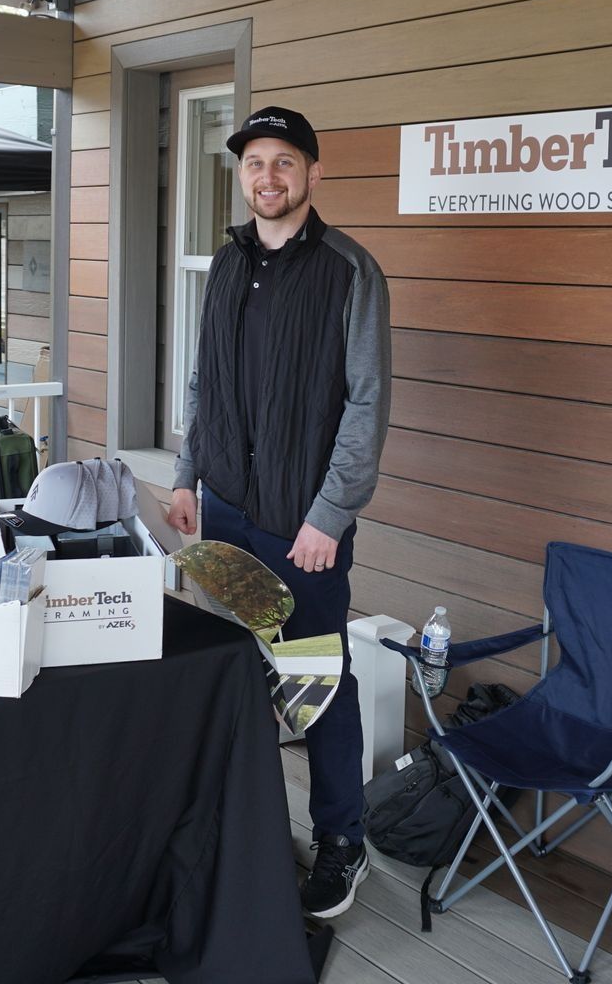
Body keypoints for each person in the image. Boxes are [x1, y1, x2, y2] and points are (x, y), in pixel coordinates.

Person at [165, 105, 392, 920]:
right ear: (242, 175)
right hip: (222, 512)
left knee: (318, 678)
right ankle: (246, 820)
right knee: (236, 672)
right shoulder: (226, 265)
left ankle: (341, 841)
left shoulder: (349, 271)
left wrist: (331, 514)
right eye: (255, 162)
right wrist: (189, 477)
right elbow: (204, 383)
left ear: (313, 174)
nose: (269, 177)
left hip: (304, 529)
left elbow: (366, 404)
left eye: (285, 163)